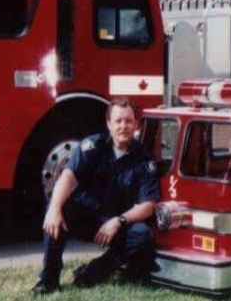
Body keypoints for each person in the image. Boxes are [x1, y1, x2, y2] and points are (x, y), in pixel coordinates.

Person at [31, 97, 160, 295]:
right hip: (87, 216)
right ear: (109, 124)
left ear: (136, 124)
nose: (123, 126)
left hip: (115, 222)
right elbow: (67, 177)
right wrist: (55, 209)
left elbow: (148, 205)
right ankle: (48, 280)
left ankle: (92, 273)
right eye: (118, 121)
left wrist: (119, 221)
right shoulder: (92, 146)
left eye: (128, 121)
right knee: (56, 210)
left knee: (142, 235)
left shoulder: (143, 159)